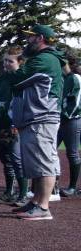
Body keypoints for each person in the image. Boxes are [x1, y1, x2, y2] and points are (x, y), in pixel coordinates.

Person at [8, 24, 65, 221]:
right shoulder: (45, 59)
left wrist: (14, 69)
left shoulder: (45, 59)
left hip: (42, 117)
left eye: (31, 37)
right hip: (36, 117)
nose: (28, 41)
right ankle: (36, 202)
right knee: (37, 163)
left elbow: (16, 79)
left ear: (40, 38)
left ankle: (43, 206)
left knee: (44, 163)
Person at [0, 46, 26, 205]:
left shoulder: (21, 79)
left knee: (17, 160)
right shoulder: (2, 78)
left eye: (10, 61)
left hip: (13, 125)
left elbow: (21, 104)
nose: (6, 64)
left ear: (20, 62)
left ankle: (23, 195)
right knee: (6, 160)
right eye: (5, 60)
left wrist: (15, 123)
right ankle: (9, 192)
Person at [63, 55, 81, 196]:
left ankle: (73, 187)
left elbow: (75, 103)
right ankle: (50, 186)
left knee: (72, 153)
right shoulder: (63, 78)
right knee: (48, 151)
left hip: (72, 119)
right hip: (60, 119)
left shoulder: (75, 78)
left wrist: (64, 114)